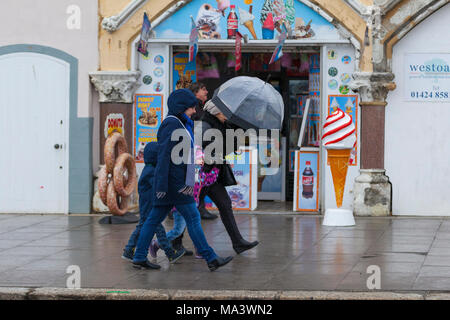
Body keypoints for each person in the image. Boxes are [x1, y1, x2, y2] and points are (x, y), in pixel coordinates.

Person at [132, 89, 233, 271]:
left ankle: (139, 257)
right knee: (193, 218)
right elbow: (164, 157)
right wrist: (164, 185)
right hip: (175, 185)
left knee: (153, 220)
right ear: (181, 107)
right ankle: (211, 258)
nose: (194, 111)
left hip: (172, 184)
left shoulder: (180, 123)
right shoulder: (171, 124)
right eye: (191, 108)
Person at [197, 100, 259, 254]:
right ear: (215, 112)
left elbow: (225, 148)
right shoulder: (205, 126)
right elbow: (208, 151)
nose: (227, 115)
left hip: (214, 174)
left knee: (224, 204)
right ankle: (174, 242)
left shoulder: (221, 125)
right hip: (204, 175)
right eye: (224, 112)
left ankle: (238, 242)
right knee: (189, 210)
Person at [122, 142, 186, 269]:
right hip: (149, 204)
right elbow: (158, 187)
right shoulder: (152, 171)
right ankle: (169, 253)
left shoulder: (149, 169)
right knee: (155, 225)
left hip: (147, 203)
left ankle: (129, 250)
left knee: (143, 225)